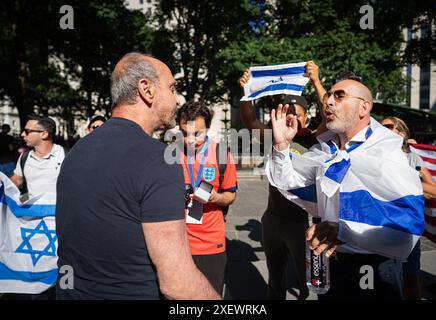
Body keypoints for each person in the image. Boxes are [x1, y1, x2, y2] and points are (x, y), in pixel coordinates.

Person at [55, 52, 220, 300]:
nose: (176, 100)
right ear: (147, 90)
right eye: (172, 88)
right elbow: (178, 284)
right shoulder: (158, 159)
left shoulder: (77, 150)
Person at [267, 79, 424, 300]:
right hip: (329, 265)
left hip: (372, 267)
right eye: (328, 96)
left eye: (339, 96)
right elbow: (288, 182)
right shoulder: (325, 152)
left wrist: (343, 230)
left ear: (364, 107)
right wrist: (282, 146)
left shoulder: (387, 152)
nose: (329, 101)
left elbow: (409, 228)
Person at [238, 61, 326, 300]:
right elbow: (250, 122)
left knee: (307, 279)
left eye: (296, 115)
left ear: (307, 118)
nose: (291, 119)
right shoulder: (274, 137)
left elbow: (328, 111)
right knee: (275, 279)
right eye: (287, 114)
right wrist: (247, 92)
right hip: (272, 218)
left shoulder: (314, 139)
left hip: (301, 223)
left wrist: (316, 82)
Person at [176, 101, 238, 296]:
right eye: (185, 133)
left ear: (208, 128)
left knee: (211, 294)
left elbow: (231, 196)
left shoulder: (221, 155)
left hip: (211, 242)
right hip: (178, 241)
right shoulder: (173, 153)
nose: (190, 140)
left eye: (197, 133)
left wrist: (215, 197)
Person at [381, 116, 436, 300]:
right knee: (383, 285)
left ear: (402, 134)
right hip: (379, 231)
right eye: (380, 127)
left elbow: (433, 191)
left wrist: (403, 185)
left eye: (388, 126)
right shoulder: (372, 156)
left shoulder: (412, 158)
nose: (382, 130)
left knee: (411, 282)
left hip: (407, 231)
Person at [10, 116, 66, 199]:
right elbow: (17, 180)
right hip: (33, 210)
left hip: (60, 210)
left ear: (44, 134)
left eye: (27, 131)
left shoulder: (65, 155)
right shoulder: (24, 157)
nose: (22, 134)